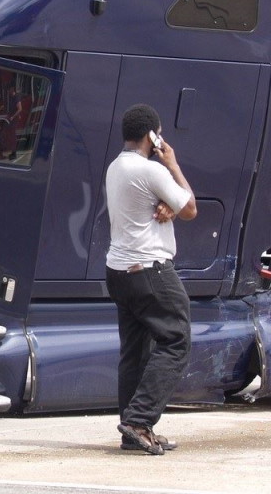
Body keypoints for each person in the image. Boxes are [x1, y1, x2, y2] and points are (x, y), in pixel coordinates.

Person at [105, 104, 197, 456]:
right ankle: (139, 421)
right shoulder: (151, 169)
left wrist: (168, 204)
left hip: (119, 272)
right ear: (153, 136)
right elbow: (190, 208)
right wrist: (171, 163)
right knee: (176, 340)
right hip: (151, 272)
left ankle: (132, 430)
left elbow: (164, 205)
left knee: (135, 352)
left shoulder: (116, 168)